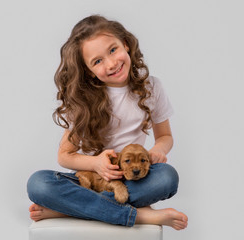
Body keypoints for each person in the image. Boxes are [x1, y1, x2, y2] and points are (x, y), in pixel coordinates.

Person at [27, 15, 188, 230]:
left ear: (126, 44)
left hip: (132, 180)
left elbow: (165, 136)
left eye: (113, 50)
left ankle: (70, 208)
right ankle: (139, 216)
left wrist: (158, 150)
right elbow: (64, 156)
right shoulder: (85, 100)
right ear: (89, 71)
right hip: (92, 181)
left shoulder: (152, 87)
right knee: (38, 183)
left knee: (167, 178)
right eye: (97, 61)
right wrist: (96, 164)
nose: (111, 63)